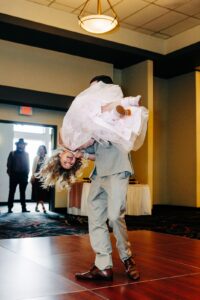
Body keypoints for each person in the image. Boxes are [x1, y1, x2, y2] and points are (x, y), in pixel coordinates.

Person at [74, 75, 140, 281]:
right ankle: (103, 266)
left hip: (117, 170)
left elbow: (123, 131)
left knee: (114, 216)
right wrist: (81, 151)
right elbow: (96, 152)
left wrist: (91, 135)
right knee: (94, 219)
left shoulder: (120, 110)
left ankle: (127, 258)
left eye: (96, 89)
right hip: (99, 174)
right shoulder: (94, 118)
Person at [60, 75, 148, 152]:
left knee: (111, 111)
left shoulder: (111, 95)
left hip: (115, 157)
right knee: (110, 116)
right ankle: (125, 105)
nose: (91, 91)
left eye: (94, 87)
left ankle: (129, 102)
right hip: (107, 123)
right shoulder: (92, 106)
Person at [7, 138, 30, 213]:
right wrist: (11, 175)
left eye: (22, 144)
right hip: (14, 176)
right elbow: (8, 165)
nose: (21, 145)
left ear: (24, 145)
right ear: (17, 145)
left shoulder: (26, 154)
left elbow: (28, 166)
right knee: (12, 192)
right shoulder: (12, 153)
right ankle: (9, 208)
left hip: (23, 176)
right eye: (20, 144)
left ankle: (24, 208)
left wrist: (26, 176)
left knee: (22, 192)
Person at [31, 145, 49, 213]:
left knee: (42, 193)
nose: (41, 150)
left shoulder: (47, 158)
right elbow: (33, 168)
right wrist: (32, 176)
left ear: (44, 150)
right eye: (40, 149)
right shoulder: (36, 158)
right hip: (36, 178)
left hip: (44, 178)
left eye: (42, 149)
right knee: (38, 193)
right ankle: (42, 207)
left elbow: (49, 168)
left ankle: (38, 206)